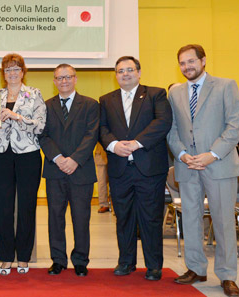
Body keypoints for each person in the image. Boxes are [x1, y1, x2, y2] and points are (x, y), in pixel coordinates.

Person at [167, 44, 239, 297]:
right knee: (190, 220)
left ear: (203, 60)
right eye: (182, 63)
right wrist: (182, 154)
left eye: (191, 61)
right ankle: (196, 268)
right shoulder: (175, 92)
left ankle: (227, 275)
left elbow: (234, 126)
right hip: (187, 165)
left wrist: (211, 155)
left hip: (218, 164)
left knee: (222, 223)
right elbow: (172, 129)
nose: (186, 66)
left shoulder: (225, 85)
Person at [99, 56, 172, 281]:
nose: (125, 74)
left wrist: (136, 143)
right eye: (120, 71)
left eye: (130, 70)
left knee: (150, 218)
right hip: (120, 168)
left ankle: (153, 266)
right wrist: (113, 145)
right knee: (124, 218)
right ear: (116, 75)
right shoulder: (106, 99)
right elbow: (101, 128)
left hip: (149, 168)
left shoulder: (156, 94)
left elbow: (162, 122)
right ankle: (126, 262)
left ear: (139, 72)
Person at [0, 53, 46, 275]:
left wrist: (16, 116)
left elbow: (39, 126)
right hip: (1, 154)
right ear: (3, 73)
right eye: (8, 69)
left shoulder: (34, 94)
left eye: (16, 69)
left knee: (27, 206)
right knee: (3, 206)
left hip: (28, 154)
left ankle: (24, 257)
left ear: (23, 72)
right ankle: (7, 257)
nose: (12, 73)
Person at [39, 64, 98, 277]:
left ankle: (80, 260)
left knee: (81, 218)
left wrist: (74, 160)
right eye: (59, 78)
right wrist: (58, 158)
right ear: (54, 81)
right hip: (55, 170)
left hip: (81, 170)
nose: (64, 81)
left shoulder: (91, 105)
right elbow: (43, 135)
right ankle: (58, 260)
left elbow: (92, 135)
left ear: (75, 78)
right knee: (55, 217)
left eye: (68, 77)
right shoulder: (45, 106)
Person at [94, 143, 110, 213]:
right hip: (100, 154)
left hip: (116, 153)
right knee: (101, 181)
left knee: (117, 181)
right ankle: (103, 204)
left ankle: (118, 205)